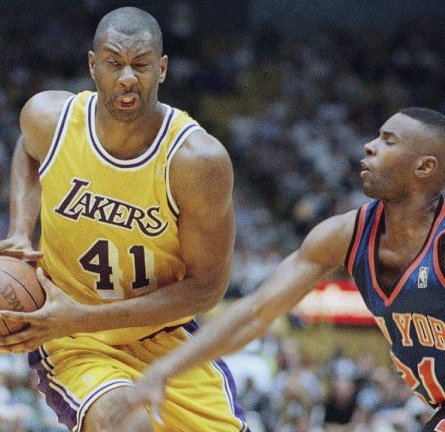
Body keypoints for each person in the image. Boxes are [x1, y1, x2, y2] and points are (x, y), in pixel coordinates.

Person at [0, 7, 248, 432]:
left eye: (141, 65)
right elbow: (27, 150)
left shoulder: (197, 162)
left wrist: (87, 316)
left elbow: (208, 287)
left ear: (162, 69)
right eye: (114, 63)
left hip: (164, 340)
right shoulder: (50, 120)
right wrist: (19, 231)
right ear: (92, 65)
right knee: (128, 425)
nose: (126, 78)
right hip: (72, 339)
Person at [102, 107, 445, 432]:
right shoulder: (343, 235)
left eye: (389, 141)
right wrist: (161, 372)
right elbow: (256, 312)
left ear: (424, 167)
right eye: (377, 136)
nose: (369, 146)